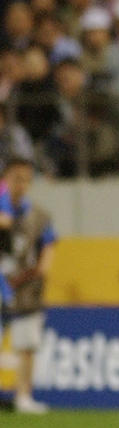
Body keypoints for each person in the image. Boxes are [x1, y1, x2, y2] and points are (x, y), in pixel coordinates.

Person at [1, 157, 55, 414]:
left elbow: (49, 249)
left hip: (25, 290)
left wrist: (35, 273)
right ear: (5, 181)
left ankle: (23, 396)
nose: (20, 184)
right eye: (15, 178)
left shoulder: (40, 217)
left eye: (25, 179)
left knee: (26, 345)